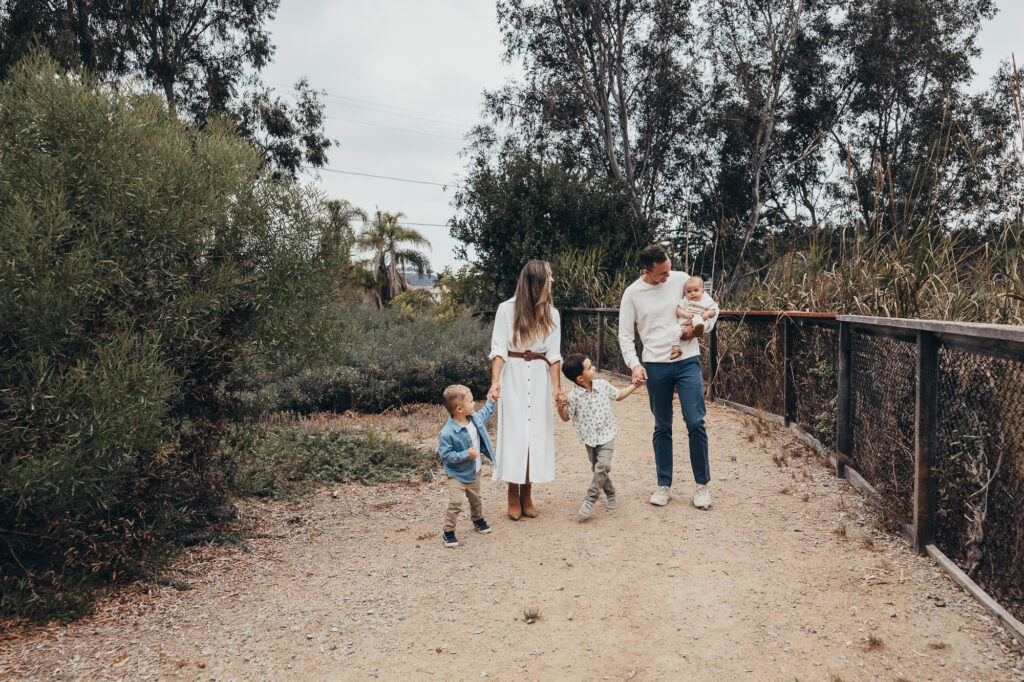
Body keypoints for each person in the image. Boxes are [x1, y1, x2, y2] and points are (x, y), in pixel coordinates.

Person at [618, 244, 716, 509]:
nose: (668, 276)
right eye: (662, 273)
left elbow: (711, 308)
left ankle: (702, 486)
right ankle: (664, 485)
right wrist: (634, 365)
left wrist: (698, 330)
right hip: (655, 366)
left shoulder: (683, 280)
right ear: (646, 272)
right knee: (662, 425)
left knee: (695, 422)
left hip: (687, 362)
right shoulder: (632, 294)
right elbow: (625, 335)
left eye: (669, 269)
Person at [487, 260, 563, 520]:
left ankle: (527, 492)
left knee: (535, 434)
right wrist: (495, 382)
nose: (552, 281)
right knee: (516, 432)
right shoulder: (506, 309)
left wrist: (556, 389)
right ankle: (512, 491)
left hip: (539, 378)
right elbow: (498, 348)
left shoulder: (553, 314)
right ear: (537, 280)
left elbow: (554, 356)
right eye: (549, 277)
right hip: (514, 377)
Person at [555, 354, 638, 518]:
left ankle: (589, 500)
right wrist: (559, 407)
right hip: (589, 440)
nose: (593, 368)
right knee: (597, 468)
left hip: (607, 434)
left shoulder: (603, 385)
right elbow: (566, 418)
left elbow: (619, 395)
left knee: (602, 466)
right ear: (580, 377)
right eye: (589, 367)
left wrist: (634, 385)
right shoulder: (573, 397)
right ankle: (610, 491)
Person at [436, 384, 497, 547]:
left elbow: (485, 413)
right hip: (456, 474)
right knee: (455, 502)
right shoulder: (447, 433)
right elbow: (446, 456)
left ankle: (477, 520)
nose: (474, 404)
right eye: (470, 402)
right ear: (459, 409)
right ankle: (448, 532)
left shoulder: (474, 418)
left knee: (475, 499)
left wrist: (491, 401)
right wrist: (465, 455)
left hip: (474, 471)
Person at [670, 275, 719, 359]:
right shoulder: (685, 301)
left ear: (703, 292)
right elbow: (678, 310)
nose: (692, 293)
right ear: (685, 293)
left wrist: (707, 314)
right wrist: (686, 314)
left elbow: (714, 310)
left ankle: (698, 329)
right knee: (675, 330)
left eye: (696, 290)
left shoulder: (705, 301)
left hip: (696, 319)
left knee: (697, 318)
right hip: (683, 323)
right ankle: (676, 349)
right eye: (689, 291)